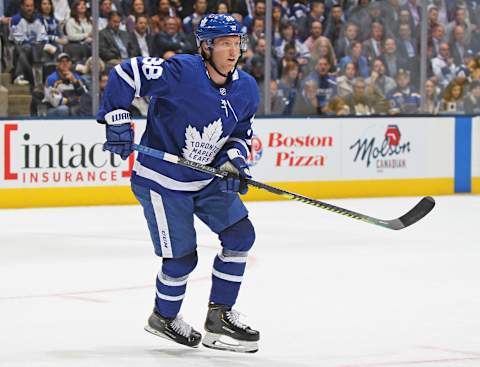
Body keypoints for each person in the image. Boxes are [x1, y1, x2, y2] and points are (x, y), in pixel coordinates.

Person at [97, 14, 260, 353]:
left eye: (236, 44)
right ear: (206, 46)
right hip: (161, 181)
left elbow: (241, 133)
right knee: (182, 260)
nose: (233, 52)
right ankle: (164, 317)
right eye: (224, 44)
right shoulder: (181, 71)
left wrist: (234, 161)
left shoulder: (246, 87)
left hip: (206, 177)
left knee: (241, 235)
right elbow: (125, 74)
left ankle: (219, 318)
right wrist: (117, 117)